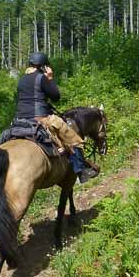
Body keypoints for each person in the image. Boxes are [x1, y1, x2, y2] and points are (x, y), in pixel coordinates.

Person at [15, 52, 99, 183]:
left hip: (20, 119)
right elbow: (56, 97)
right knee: (73, 139)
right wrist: (50, 78)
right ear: (43, 66)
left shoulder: (22, 79)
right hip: (41, 118)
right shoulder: (41, 77)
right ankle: (81, 172)